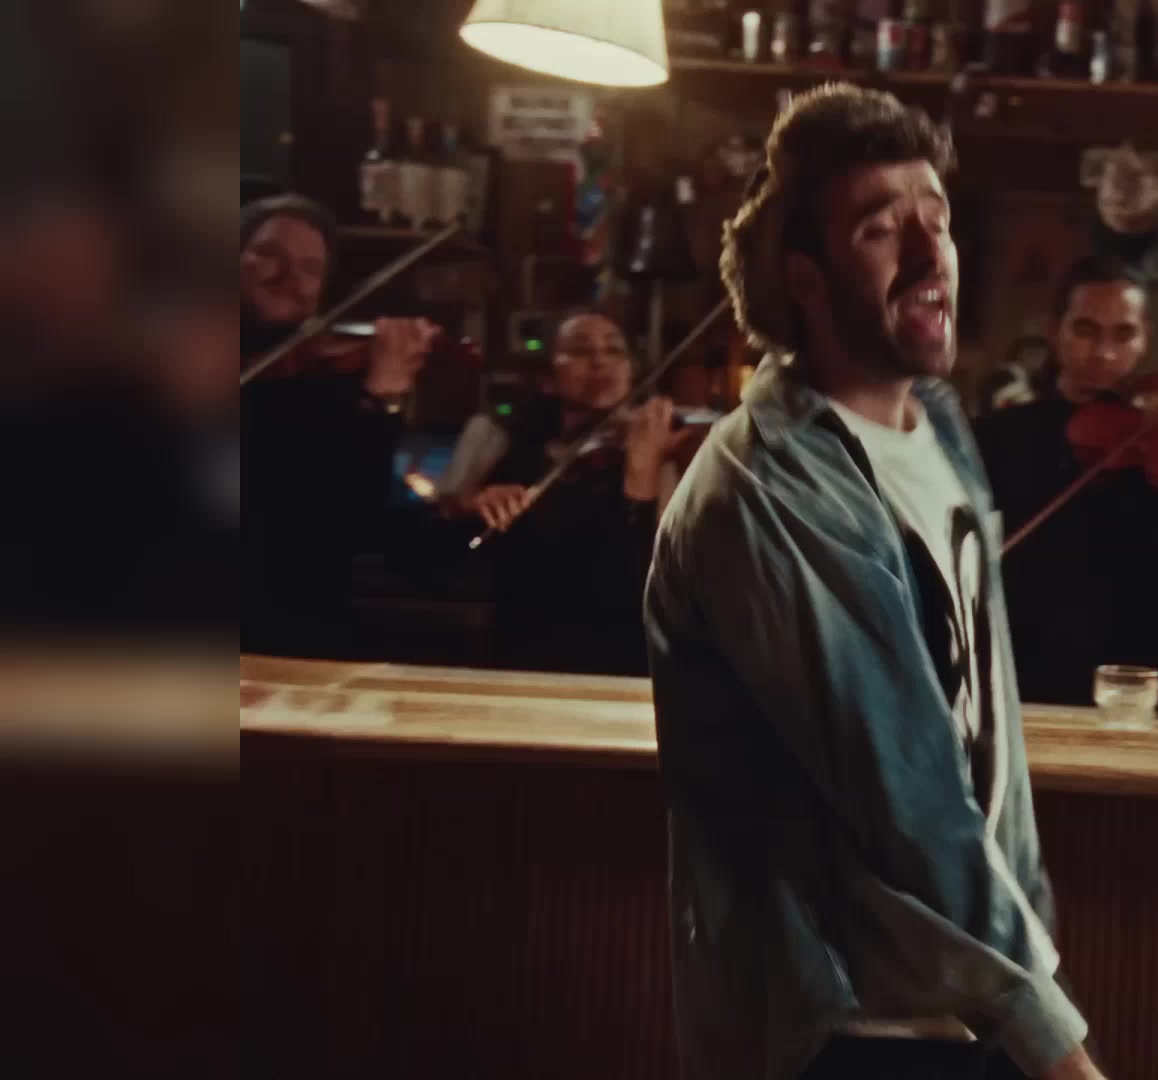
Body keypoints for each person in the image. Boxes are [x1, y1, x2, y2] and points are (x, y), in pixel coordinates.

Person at [645, 84, 1104, 1080]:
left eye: (937, 218)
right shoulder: (763, 485)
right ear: (802, 278)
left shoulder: (939, 427)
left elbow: (985, 733)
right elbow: (905, 790)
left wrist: (1028, 961)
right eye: (881, 229)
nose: (931, 253)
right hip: (840, 1029)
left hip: (971, 1002)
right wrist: (1058, 1049)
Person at [974, 256, 1158, 703]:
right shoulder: (999, 435)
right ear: (1055, 331)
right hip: (1026, 669)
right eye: (1086, 331)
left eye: (1124, 335)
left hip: (1132, 674)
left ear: (1145, 339)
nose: (1104, 353)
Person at [438, 309, 691, 675]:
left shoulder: (661, 445)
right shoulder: (501, 438)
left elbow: (646, 584)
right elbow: (443, 554)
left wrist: (643, 475)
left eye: (614, 350)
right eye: (580, 350)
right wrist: (471, 503)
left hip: (627, 658)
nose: (600, 361)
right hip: (525, 650)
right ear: (547, 379)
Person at [239, 194, 435, 658]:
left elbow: (356, 520)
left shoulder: (335, 384)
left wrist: (381, 397)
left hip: (289, 635)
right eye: (269, 255)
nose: (290, 277)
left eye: (311, 269)